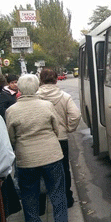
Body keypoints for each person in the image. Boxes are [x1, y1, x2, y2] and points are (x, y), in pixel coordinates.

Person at [6, 74, 68, 222]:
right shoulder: (47, 105)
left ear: (19, 88)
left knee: (29, 197)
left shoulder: (12, 111)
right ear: (36, 87)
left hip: (27, 159)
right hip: (51, 155)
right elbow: (56, 129)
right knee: (57, 194)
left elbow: (11, 137)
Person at [37, 68, 81, 208]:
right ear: (56, 79)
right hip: (61, 138)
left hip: (42, 139)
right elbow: (75, 115)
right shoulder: (64, 96)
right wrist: (69, 128)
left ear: (41, 80)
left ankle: (47, 197)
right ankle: (66, 198)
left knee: (43, 169)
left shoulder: (36, 97)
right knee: (63, 169)